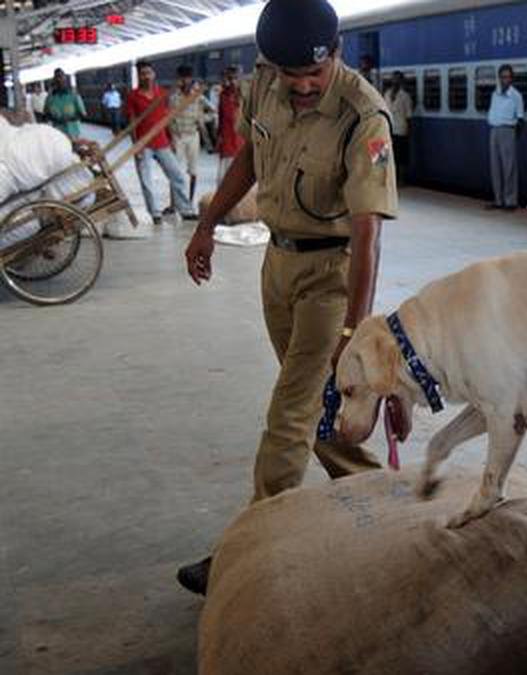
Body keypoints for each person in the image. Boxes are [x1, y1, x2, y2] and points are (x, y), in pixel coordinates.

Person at [178, 0, 398, 595]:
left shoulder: (363, 115)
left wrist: (354, 335)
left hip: (332, 275)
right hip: (277, 265)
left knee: (290, 412)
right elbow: (252, 153)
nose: (301, 87)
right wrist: (208, 223)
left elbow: (368, 233)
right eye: (288, 74)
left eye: (313, 75)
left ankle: (245, 554)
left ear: (337, 54)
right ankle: (387, 509)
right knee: (319, 409)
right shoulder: (264, 87)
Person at [125, 60, 196, 224]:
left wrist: (170, 139)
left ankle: (185, 209)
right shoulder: (133, 96)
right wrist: (137, 147)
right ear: (139, 76)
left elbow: (166, 119)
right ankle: (154, 213)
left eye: (149, 73)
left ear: (154, 74)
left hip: (162, 142)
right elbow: (131, 122)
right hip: (143, 144)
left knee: (177, 175)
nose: (147, 76)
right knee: (146, 179)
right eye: (143, 74)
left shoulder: (161, 93)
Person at [169, 65, 215, 204]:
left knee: (193, 171)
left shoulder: (198, 96)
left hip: (193, 136)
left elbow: (213, 112)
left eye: (186, 78)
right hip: (178, 136)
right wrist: (171, 137)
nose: (184, 81)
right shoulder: (173, 97)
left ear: (190, 79)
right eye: (181, 78)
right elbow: (168, 118)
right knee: (174, 171)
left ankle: (189, 200)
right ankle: (173, 203)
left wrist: (201, 119)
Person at [486, 64, 523, 210]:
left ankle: (510, 201)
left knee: (509, 168)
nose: (504, 80)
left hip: (508, 131)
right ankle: (498, 200)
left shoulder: (516, 96)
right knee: (495, 167)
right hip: (494, 130)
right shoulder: (495, 93)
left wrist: (514, 136)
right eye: (502, 77)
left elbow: (520, 119)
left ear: (511, 79)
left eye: (507, 77)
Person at [214, 66, 245, 183]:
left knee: (240, 178)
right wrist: (219, 137)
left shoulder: (245, 95)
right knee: (222, 178)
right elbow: (221, 118)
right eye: (230, 78)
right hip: (227, 140)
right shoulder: (223, 95)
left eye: (235, 78)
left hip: (241, 140)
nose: (232, 81)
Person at [385, 73, 412, 185]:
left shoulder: (405, 96)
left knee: (401, 157)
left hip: (401, 129)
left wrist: (409, 131)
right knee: (385, 155)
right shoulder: (386, 94)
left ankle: (401, 180)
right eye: (393, 79)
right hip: (387, 128)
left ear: (401, 82)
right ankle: (385, 179)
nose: (395, 81)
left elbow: (409, 116)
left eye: (397, 80)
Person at [44, 69, 87, 139]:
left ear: (65, 80)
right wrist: (55, 119)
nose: (59, 80)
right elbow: (46, 114)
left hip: (74, 134)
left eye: (61, 77)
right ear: (54, 81)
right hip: (58, 135)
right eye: (57, 78)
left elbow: (83, 114)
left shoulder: (74, 96)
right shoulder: (50, 98)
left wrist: (69, 119)